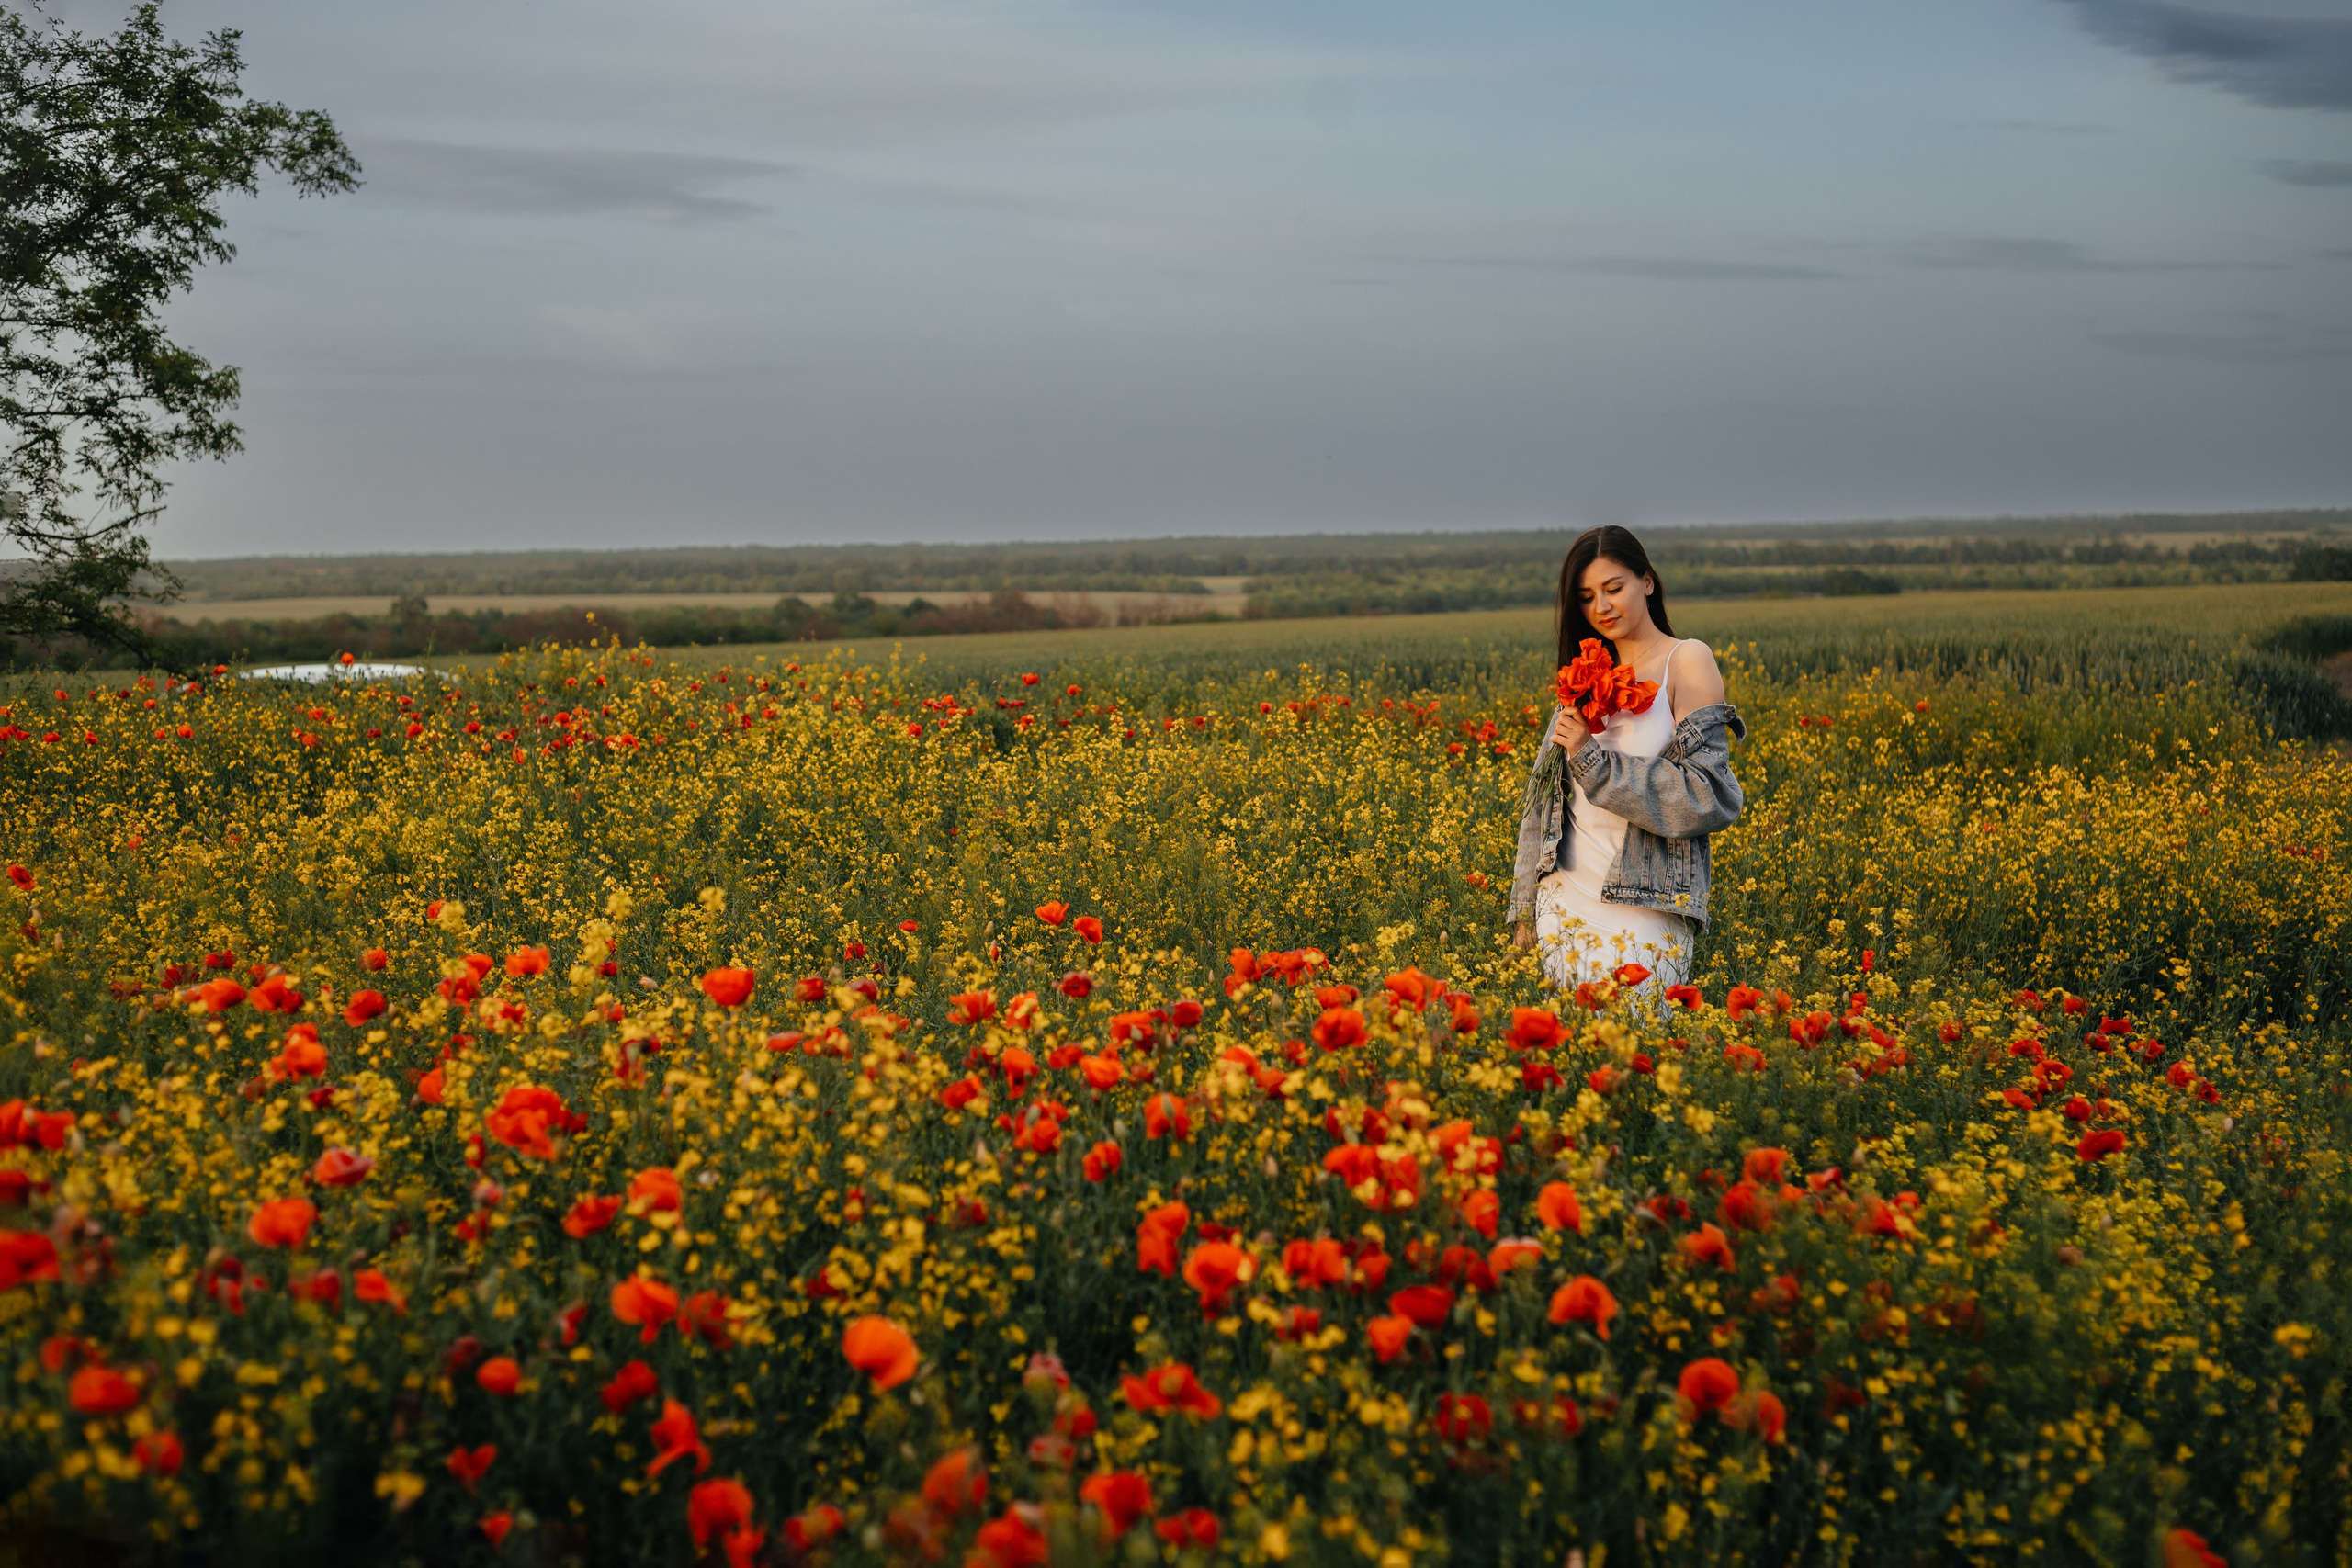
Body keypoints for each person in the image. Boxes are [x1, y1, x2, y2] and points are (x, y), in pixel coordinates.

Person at [1509, 525, 1746, 995]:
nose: (1602, 606)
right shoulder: (1582, 674)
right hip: (1564, 897)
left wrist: (1592, 761)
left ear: (1648, 581)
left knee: (1635, 1047)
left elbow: (1710, 796)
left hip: (1648, 902)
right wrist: (1523, 915)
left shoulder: (1688, 660)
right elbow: (1540, 810)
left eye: (1614, 588)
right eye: (1586, 596)